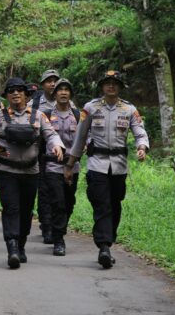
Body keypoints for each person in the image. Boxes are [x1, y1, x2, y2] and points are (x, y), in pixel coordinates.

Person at [64, 70, 149, 269]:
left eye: (115, 83)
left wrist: (142, 147)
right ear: (102, 86)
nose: (111, 86)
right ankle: (103, 247)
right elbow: (80, 138)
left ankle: (108, 241)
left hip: (119, 166)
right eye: (107, 83)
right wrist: (70, 165)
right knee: (102, 205)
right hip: (97, 164)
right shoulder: (91, 108)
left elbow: (140, 132)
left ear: (120, 87)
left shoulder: (129, 109)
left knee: (115, 205)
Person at [0, 77, 64, 269]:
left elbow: (51, 134)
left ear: (26, 95)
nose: (15, 93)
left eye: (20, 90)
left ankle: (21, 245)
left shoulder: (38, 116)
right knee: (11, 208)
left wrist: (56, 146)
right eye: (11, 91)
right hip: (6, 171)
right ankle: (12, 246)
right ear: (6, 96)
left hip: (31, 171)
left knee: (27, 209)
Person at [44, 78, 81, 256]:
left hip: (73, 165)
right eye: (60, 90)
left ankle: (59, 228)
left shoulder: (78, 115)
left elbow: (87, 135)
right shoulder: (45, 115)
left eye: (67, 89)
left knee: (68, 201)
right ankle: (58, 239)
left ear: (70, 94)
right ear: (54, 94)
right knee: (57, 201)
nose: (63, 92)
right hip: (52, 165)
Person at [31, 68, 61, 244]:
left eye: (55, 80)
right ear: (42, 84)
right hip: (40, 153)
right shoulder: (35, 104)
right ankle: (46, 225)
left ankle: (57, 224)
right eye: (49, 81)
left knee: (59, 192)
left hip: (59, 153)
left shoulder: (67, 102)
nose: (52, 84)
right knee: (44, 190)